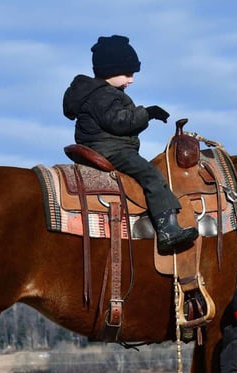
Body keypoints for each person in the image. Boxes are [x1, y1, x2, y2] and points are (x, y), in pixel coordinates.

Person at [63, 34, 199, 255]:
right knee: (151, 175)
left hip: (102, 145)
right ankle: (168, 230)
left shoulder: (96, 93)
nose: (132, 79)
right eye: (127, 73)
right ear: (110, 71)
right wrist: (148, 112)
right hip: (111, 149)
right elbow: (120, 122)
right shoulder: (104, 95)